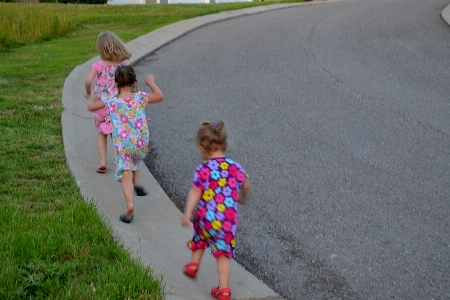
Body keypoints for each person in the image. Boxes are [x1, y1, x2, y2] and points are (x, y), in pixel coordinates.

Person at [181, 121, 250, 300]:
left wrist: (188, 212)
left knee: (200, 239)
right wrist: (242, 196)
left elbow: (195, 191)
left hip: (206, 218)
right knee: (223, 256)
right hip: (227, 222)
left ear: (202, 148)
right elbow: (246, 185)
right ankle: (224, 290)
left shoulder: (203, 169)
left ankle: (193, 264)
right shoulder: (235, 167)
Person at [87, 65, 164, 223]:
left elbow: (91, 108)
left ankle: (129, 205)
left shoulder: (112, 102)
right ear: (135, 83)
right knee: (136, 160)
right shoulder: (140, 97)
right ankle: (137, 182)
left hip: (123, 145)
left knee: (125, 173)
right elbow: (159, 96)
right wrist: (151, 83)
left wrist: (93, 99)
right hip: (141, 143)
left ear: (115, 85)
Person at [84, 31, 131, 174]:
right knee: (116, 135)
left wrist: (88, 93)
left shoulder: (98, 65)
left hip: (101, 106)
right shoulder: (122, 65)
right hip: (116, 106)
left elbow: (88, 81)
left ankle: (103, 162)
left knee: (101, 134)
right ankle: (120, 162)